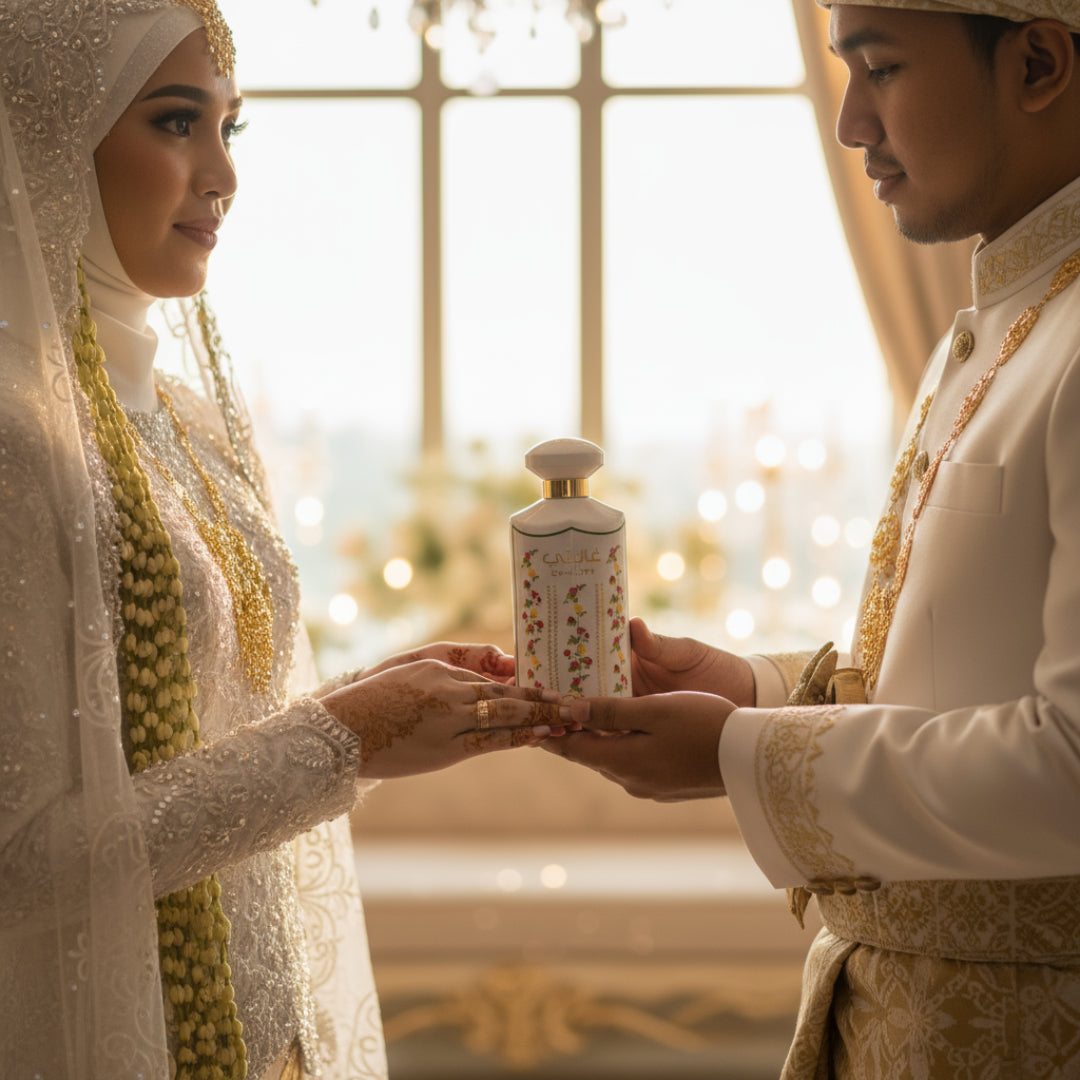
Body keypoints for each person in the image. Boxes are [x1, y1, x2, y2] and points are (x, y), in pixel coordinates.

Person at [0, 3, 565, 1078]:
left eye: (230, 127)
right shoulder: (15, 443)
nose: (222, 174)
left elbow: (219, 731)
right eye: (175, 122)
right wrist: (341, 739)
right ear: (41, 132)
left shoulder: (185, 418)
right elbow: (16, 862)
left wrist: (366, 707)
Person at [546, 2, 1080, 1076]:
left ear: (1035, 62)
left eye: (879, 68)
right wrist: (754, 689)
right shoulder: (996, 326)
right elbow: (956, 672)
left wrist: (739, 754)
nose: (849, 124)